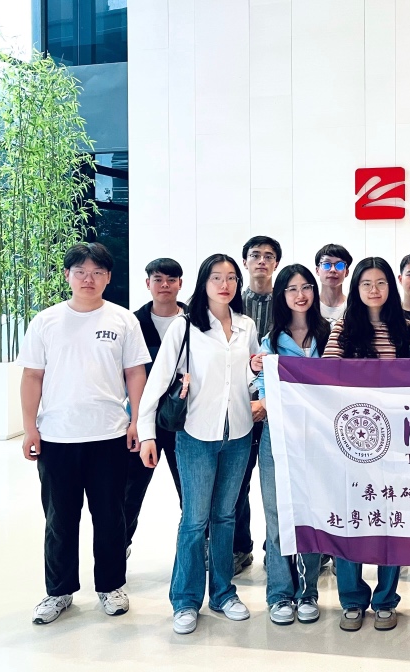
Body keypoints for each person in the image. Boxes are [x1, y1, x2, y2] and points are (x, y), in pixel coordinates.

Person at [18, 242, 150, 625]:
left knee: (110, 517)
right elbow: (32, 376)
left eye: (97, 273)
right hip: (57, 438)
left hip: (109, 436)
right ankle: (58, 591)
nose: (88, 279)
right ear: (67, 276)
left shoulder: (123, 320)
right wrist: (30, 428)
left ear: (108, 277)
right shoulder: (46, 321)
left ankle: (111, 586)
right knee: (59, 519)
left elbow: (135, 373)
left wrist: (136, 421)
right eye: (80, 272)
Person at [137, 253, 260, 635]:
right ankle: (185, 600)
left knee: (225, 517)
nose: (225, 285)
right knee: (194, 520)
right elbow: (157, 382)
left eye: (231, 278)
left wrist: (256, 373)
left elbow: (248, 378)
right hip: (195, 436)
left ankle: (223, 593)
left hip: (238, 434)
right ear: (203, 282)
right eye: (216, 277)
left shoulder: (246, 325)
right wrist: (146, 433)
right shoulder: (185, 326)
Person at [323, 256, 410, 632]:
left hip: (396, 441)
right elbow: (325, 377)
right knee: (352, 516)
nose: (374, 290)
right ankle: (352, 599)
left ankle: (386, 599)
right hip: (354, 438)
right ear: (356, 288)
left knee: (391, 518)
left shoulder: (404, 327)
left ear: (390, 287)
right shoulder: (344, 326)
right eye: (366, 284)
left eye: (380, 283)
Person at [250, 263, 328, 626]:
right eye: (292, 289)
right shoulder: (270, 342)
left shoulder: (329, 335)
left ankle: (308, 592)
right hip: (278, 436)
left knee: (311, 513)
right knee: (277, 513)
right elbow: (264, 389)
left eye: (306, 287)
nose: (300, 295)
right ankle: (280, 593)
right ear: (281, 296)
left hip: (319, 440)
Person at [125, 258, 187, 559]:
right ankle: (120, 546)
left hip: (186, 419)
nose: (165, 285)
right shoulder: (132, 323)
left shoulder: (196, 321)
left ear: (180, 284)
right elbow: (125, 374)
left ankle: (196, 549)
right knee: (130, 490)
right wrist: (134, 420)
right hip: (142, 419)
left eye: (171, 279)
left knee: (191, 491)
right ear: (147, 283)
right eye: (158, 279)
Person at [230, 235, 282, 576]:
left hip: (279, 407)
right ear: (245, 261)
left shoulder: (288, 300)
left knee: (279, 485)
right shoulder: (231, 303)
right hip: (240, 406)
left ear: (276, 263)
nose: (261, 261)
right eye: (255, 255)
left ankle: (276, 549)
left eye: (268, 256)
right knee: (237, 482)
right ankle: (239, 548)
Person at [314, 243, 352, 325]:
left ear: (347, 272)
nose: (333, 270)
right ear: (317, 270)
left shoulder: (352, 306)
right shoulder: (310, 306)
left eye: (340, 265)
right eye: (326, 264)